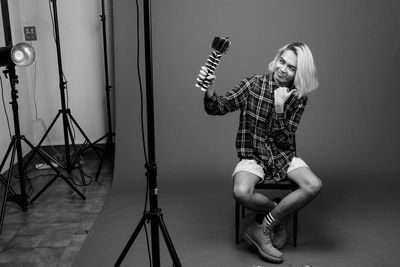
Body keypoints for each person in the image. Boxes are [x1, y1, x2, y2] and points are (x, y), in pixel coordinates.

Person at [197, 42, 322, 263]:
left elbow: (285, 138)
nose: (283, 69)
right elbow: (218, 107)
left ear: (299, 72)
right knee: (242, 193)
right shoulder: (253, 84)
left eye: (291, 67)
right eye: (281, 61)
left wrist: (280, 107)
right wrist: (210, 89)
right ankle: (279, 214)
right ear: (276, 59)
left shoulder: (299, 96)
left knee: (314, 185)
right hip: (253, 155)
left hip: (283, 155)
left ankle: (263, 227)